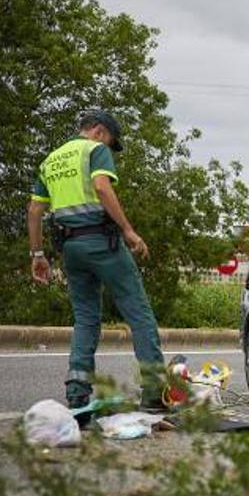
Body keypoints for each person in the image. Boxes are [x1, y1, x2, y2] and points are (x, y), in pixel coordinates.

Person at [27, 110, 164, 411]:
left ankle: (77, 394)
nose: (109, 146)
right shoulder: (95, 150)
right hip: (103, 243)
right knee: (138, 313)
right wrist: (128, 230)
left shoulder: (51, 159)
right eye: (111, 140)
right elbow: (102, 187)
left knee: (86, 319)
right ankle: (154, 393)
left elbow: (35, 211)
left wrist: (38, 255)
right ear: (100, 132)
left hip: (71, 249)